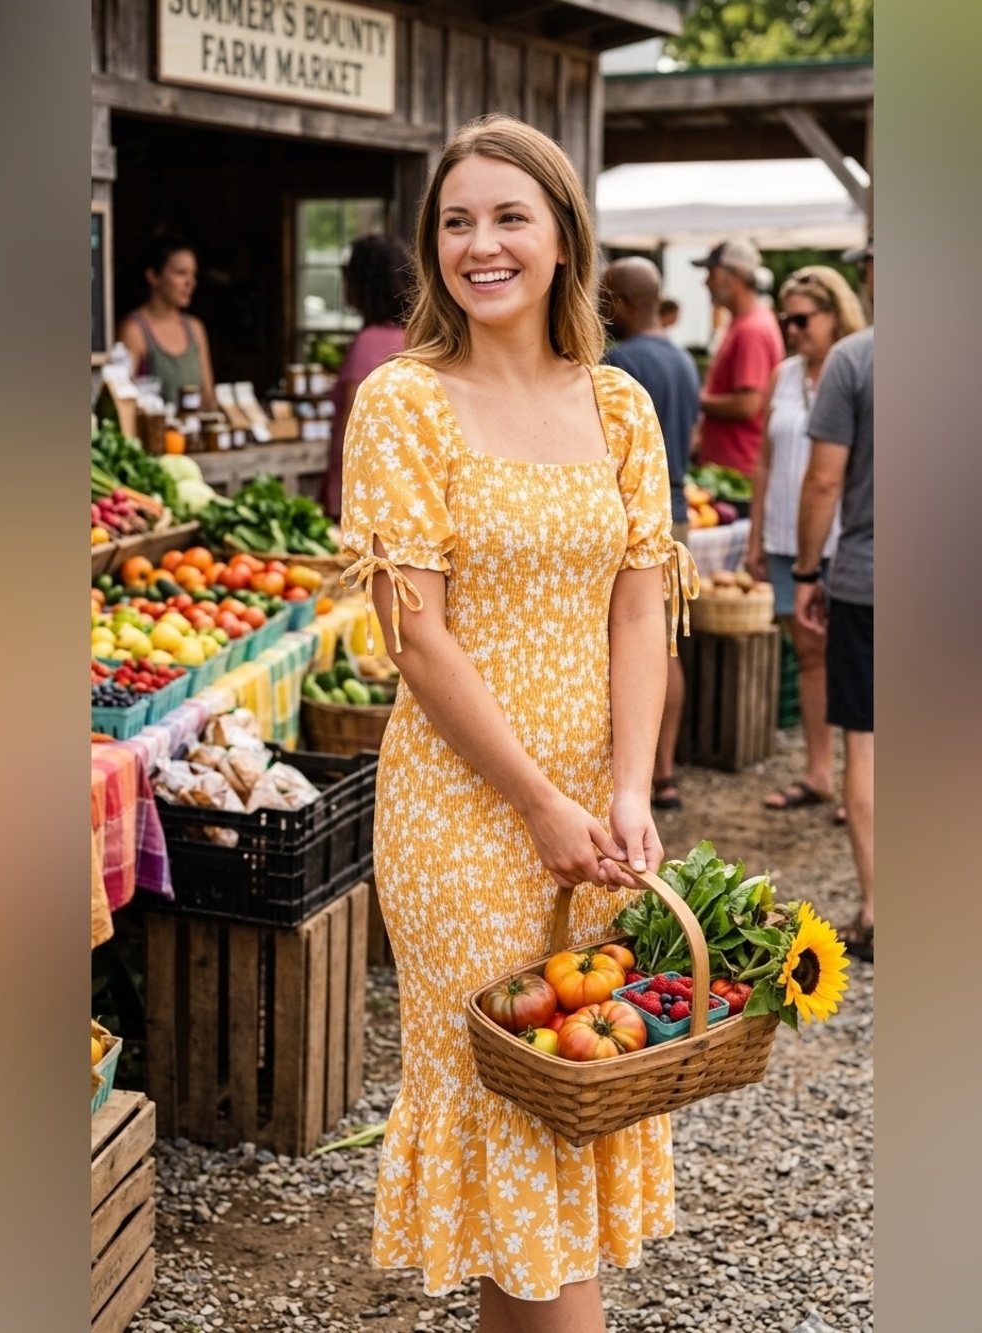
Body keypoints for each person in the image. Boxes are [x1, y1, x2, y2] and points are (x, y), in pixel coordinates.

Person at [339, 113, 698, 1332]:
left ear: (561, 240)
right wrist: (537, 799)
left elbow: (640, 608)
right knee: (514, 1100)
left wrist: (629, 791)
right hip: (458, 811)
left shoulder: (618, 405)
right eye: (455, 221)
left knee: (566, 1114)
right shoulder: (402, 403)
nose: (479, 245)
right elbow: (415, 635)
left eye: (508, 218)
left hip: (595, 808)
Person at [745, 267, 866, 821]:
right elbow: (764, 461)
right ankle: (821, 771)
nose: (792, 330)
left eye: (802, 319)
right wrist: (754, 534)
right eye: (785, 319)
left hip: (843, 537)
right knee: (810, 656)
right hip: (785, 533)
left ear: (834, 313)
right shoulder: (784, 375)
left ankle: (859, 777)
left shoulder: (854, 368)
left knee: (856, 660)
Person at [795, 237, 874, 963]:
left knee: (868, 742)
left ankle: (879, 904)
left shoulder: (856, 359)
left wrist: (807, 571)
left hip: (869, 581)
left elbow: (823, 483)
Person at [602, 256, 702, 812]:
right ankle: (664, 769)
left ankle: (642, 772)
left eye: (606, 297)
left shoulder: (620, 363)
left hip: (632, 516)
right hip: (678, 510)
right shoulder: (682, 359)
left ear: (622, 302)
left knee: (636, 638)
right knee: (664, 645)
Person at [320, 233, 411, 517]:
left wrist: (336, 495)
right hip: (404, 491)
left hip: (365, 494)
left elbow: (350, 431)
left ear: (364, 285)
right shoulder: (422, 336)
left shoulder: (369, 343)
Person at [692, 236, 783, 477]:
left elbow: (748, 405)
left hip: (737, 472)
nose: (706, 282)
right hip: (729, 468)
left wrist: (693, 399)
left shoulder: (752, 329)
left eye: (712, 273)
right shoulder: (744, 322)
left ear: (734, 275)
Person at [118, 233, 216, 411]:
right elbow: (123, 402)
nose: (190, 283)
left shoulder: (195, 328)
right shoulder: (134, 331)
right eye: (181, 273)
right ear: (153, 276)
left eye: (193, 275)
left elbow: (208, 398)